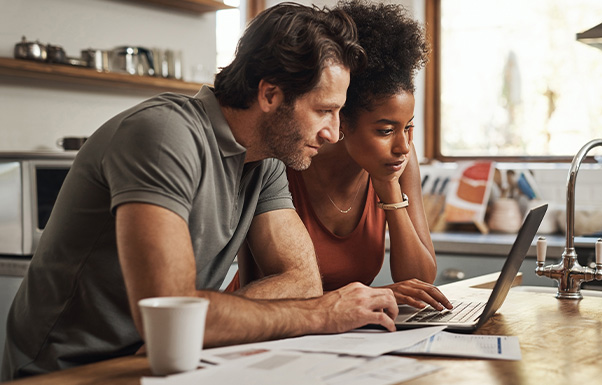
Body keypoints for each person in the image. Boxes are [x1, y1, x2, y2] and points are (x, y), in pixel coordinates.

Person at [1, 3, 399, 381]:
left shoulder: (266, 161)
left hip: (167, 361)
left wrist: (200, 324)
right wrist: (319, 314)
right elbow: (172, 315)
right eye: (323, 110)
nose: (332, 133)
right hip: (69, 372)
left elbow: (301, 281)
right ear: (270, 95)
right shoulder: (163, 135)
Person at [226, 0, 452, 312]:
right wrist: (376, 295)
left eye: (408, 128)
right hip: (268, 322)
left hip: (344, 329)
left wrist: (388, 190)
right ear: (342, 119)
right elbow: (267, 284)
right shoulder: (287, 158)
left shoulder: (397, 162)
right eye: (386, 130)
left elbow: (421, 280)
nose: (403, 146)